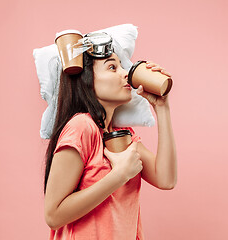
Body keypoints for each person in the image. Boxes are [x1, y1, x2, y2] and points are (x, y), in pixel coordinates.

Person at [43, 49, 177, 239]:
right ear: (87, 82)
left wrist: (162, 108)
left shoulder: (124, 135)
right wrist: (119, 175)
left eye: (122, 66)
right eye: (112, 67)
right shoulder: (81, 127)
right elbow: (53, 215)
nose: (125, 73)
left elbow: (166, 179)